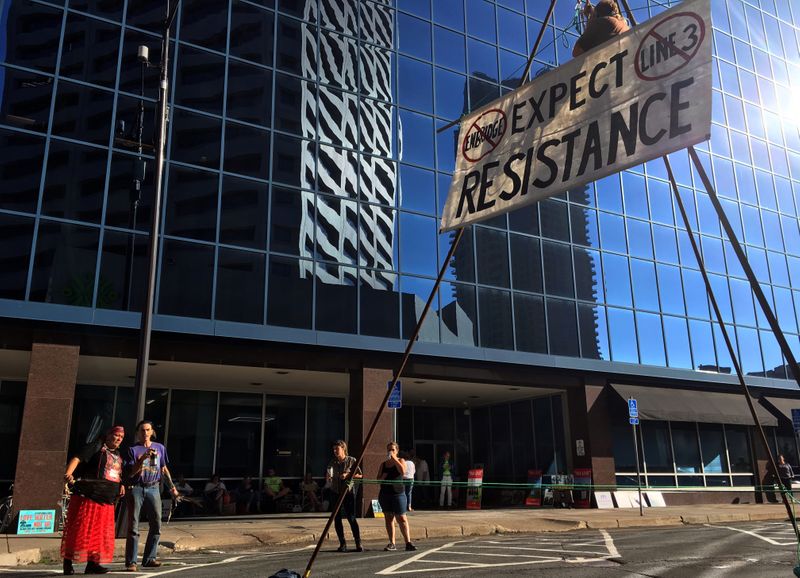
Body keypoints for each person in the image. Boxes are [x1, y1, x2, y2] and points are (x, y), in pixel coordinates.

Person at [61, 426, 126, 575]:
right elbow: (77, 458)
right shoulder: (96, 447)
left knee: (99, 532)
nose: (118, 439)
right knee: (79, 530)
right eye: (116, 435)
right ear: (108, 435)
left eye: (121, 438)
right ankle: (67, 562)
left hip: (106, 498)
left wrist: (121, 484)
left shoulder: (117, 454)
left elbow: (115, 473)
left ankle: (93, 563)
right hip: (88, 495)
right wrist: (68, 474)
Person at [124, 420, 179, 572]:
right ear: (137, 433)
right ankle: (131, 562)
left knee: (156, 524)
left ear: (152, 431)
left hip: (153, 487)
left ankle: (149, 558)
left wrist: (172, 487)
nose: (145, 433)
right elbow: (131, 472)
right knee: (133, 526)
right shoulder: (132, 450)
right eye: (142, 430)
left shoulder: (159, 447)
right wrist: (142, 458)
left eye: (148, 430)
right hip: (136, 487)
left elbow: (163, 469)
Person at [377, 442, 416, 552]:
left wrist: (394, 458)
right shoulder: (383, 464)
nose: (390, 451)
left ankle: (408, 542)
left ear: (397, 451)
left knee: (402, 518)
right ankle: (392, 543)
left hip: (398, 493)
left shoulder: (401, 460)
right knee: (389, 518)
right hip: (385, 494)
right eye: (389, 450)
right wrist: (383, 477)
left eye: (393, 450)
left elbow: (403, 471)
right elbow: (378, 479)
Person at [327, 440, 363, 552]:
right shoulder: (332, 462)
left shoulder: (352, 460)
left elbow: (360, 475)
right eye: (334, 449)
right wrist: (328, 477)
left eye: (337, 449)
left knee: (351, 517)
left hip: (348, 492)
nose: (335, 451)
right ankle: (342, 543)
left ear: (343, 449)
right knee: (336, 518)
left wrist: (347, 475)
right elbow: (328, 474)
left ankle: (358, 542)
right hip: (335, 491)